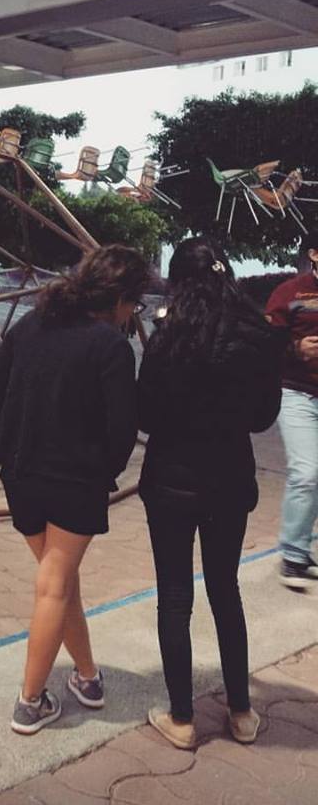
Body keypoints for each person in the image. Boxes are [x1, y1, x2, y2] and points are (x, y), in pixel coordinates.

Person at [0, 244, 152, 735]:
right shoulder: (110, 345)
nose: (131, 315)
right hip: (74, 481)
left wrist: (4, 445)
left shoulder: (32, 325)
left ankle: (87, 675)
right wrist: (104, 473)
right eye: (134, 304)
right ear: (119, 297)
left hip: (21, 474)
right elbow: (124, 426)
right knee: (55, 584)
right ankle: (29, 702)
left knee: (60, 580)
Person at [138, 238, 282, 749]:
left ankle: (181, 719)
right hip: (228, 482)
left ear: (178, 281)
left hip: (171, 483)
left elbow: (146, 416)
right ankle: (241, 712)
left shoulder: (167, 336)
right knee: (225, 590)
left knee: (175, 596)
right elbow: (264, 417)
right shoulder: (254, 335)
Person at [264, 230, 318, 589]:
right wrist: (296, 350)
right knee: (307, 472)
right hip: (298, 394)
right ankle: (294, 555)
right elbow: (266, 344)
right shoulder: (290, 292)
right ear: (314, 254)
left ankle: (302, 546)